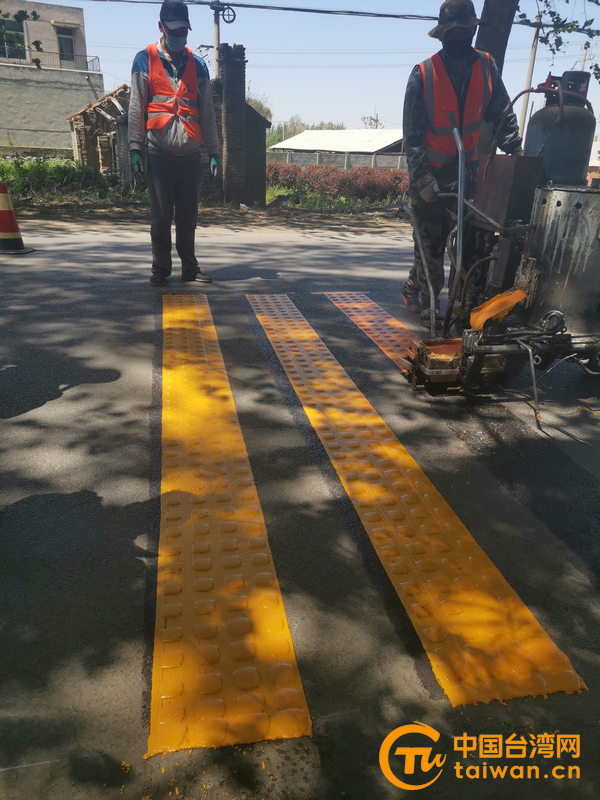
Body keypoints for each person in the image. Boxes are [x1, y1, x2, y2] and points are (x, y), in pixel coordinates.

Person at [401, 0, 522, 321]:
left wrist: (517, 154)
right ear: (442, 35)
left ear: (471, 30)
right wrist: (422, 178)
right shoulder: (423, 74)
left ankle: (464, 307)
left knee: (469, 248)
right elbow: (412, 135)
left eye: (462, 31)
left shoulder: (486, 66)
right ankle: (426, 299)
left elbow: (502, 114)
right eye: (450, 33)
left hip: (467, 175)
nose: (456, 37)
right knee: (430, 247)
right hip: (430, 176)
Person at [129, 0, 220, 286]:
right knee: (161, 217)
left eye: (184, 31)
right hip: (159, 153)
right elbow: (136, 108)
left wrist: (214, 152)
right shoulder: (144, 60)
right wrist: (135, 149)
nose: (180, 36)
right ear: (161, 27)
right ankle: (160, 269)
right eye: (175, 30)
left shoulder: (199, 65)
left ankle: (190, 269)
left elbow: (207, 113)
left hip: (190, 155)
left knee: (188, 218)